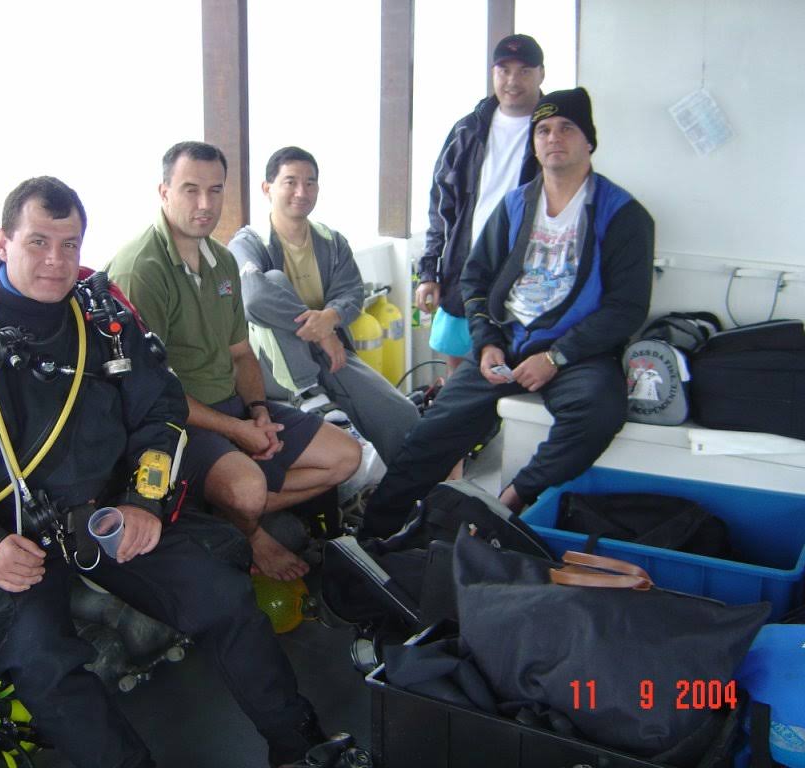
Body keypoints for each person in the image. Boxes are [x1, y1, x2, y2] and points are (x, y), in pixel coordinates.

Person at [0, 177, 328, 768]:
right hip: (13, 541)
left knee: (224, 598)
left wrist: (143, 502)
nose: (56, 260)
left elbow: (161, 414)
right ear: (2, 242)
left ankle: (301, 747)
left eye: (69, 245)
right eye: (38, 242)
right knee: (44, 667)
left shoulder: (104, 327)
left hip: (109, 518)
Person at [362, 87, 655, 539]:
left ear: (589, 140)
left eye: (566, 128)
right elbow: (475, 278)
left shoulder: (624, 215)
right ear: (533, 143)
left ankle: (510, 501)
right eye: (543, 130)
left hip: (576, 353)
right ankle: (373, 535)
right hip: (507, 344)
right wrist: (487, 343)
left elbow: (627, 308)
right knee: (430, 433)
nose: (553, 138)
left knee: (600, 412)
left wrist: (557, 357)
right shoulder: (516, 204)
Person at [107, 142, 359, 582]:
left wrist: (257, 412)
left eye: (215, 190)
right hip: (176, 423)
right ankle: (251, 531)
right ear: (164, 192)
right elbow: (151, 394)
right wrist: (236, 431)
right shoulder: (141, 268)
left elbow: (241, 353)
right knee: (248, 488)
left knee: (345, 457)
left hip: (232, 405)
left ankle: (228, 510)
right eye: (190, 190)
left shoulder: (222, 260)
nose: (205, 204)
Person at [228, 146, 419, 465]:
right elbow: (254, 298)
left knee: (402, 415)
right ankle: (310, 395)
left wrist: (331, 316)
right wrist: (322, 333)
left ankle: (398, 489)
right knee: (272, 280)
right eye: (290, 182)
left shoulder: (331, 241)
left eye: (310, 183)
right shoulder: (248, 243)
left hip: (329, 354)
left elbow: (352, 292)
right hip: (270, 362)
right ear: (267, 188)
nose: (301, 192)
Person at [417, 33, 545, 377]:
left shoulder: (552, 131)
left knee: (511, 369)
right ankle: (455, 410)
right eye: (504, 70)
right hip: (465, 268)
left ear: (541, 74)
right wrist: (429, 272)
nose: (512, 81)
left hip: (526, 275)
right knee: (457, 368)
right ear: (493, 73)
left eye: (524, 71)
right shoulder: (467, 130)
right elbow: (441, 205)